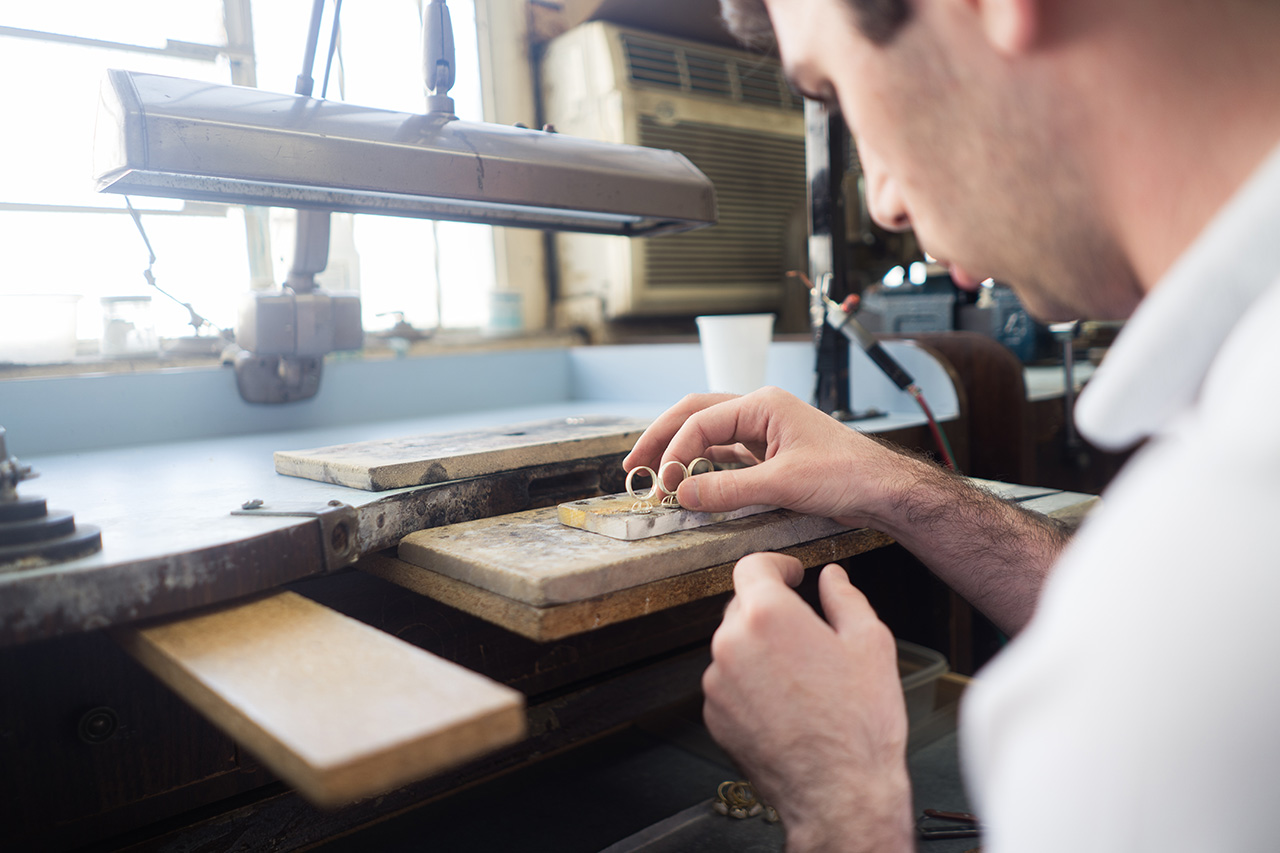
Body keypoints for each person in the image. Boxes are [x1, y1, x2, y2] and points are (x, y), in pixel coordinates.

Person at [623, 0, 1280, 849]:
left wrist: (843, 802)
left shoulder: (1229, 528)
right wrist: (895, 484)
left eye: (837, 89)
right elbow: (1157, 633)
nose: (883, 201)